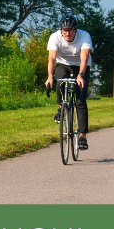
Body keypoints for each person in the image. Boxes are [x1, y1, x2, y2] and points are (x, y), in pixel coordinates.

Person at [45, 15, 92, 150]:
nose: (67, 33)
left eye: (70, 30)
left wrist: (81, 75)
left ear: (75, 30)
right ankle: (61, 107)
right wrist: (49, 76)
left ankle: (82, 137)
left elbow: (84, 57)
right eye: (65, 30)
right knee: (60, 82)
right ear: (61, 30)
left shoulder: (84, 36)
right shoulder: (54, 37)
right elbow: (52, 59)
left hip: (81, 66)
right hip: (63, 64)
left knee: (80, 100)